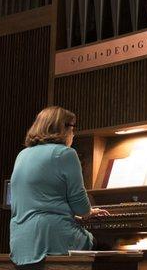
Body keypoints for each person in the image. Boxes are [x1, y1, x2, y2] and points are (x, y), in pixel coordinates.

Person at [9, 106, 109, 269]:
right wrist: (87, 213)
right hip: (50, 238)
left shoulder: (22, 155)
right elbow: (81, 207)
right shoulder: (65, 153)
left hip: (20, 241)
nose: (74, 134)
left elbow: (39, 203)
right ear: (62, 128)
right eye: (72, 127)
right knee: (106, 251)